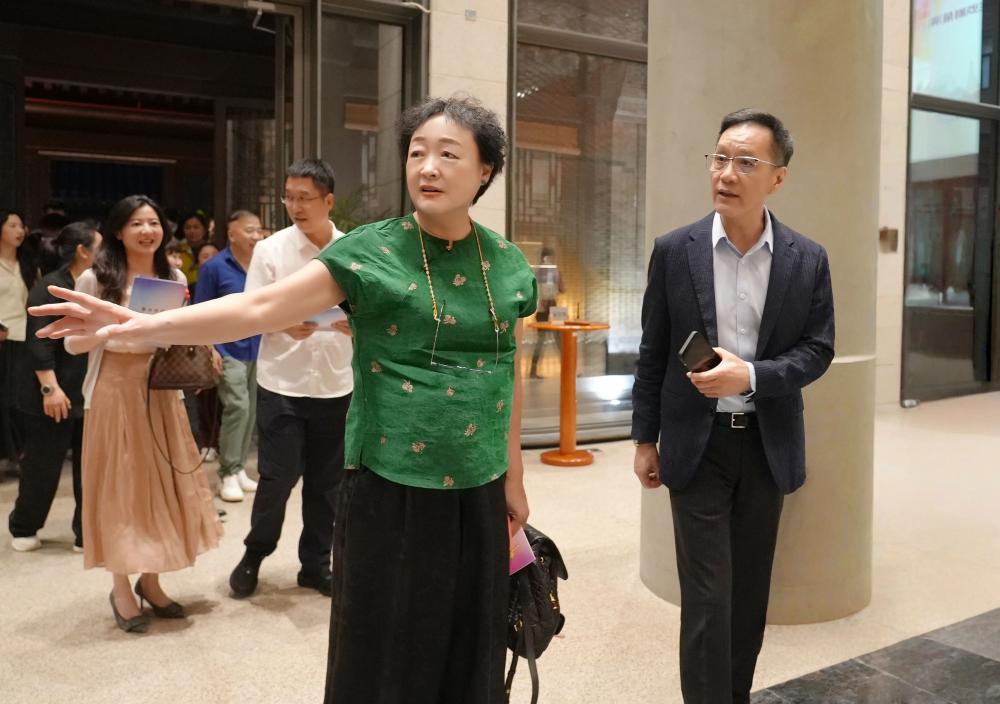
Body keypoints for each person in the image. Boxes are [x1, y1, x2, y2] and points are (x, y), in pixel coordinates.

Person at [30, 95, 538, 702]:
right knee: (389, 644)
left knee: (468, 637)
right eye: (416, 152)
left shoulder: (507, 264)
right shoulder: (371, 251)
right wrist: (138, 323)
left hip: (479, 483)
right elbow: (259, 308)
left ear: (485, 171)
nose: (427, 167)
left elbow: (502, 374)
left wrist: (514, 475)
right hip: (391, 483)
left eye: (448, 155)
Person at [631, 109, 835, 704]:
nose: (726, 173)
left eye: (746, 162)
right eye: (720, 158)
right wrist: (644, 439)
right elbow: (653, 350)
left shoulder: (807, 258)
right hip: (697, 444)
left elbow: (819, 350)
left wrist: (752, 375)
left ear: (778, 178)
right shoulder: (676, 251)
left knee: (747, 598)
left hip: (767, 444)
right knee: (707, 599)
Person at [61, 195, 222, 634]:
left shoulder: (171, 276)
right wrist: (104, 331)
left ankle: (151, 581)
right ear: (118, 230)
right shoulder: (96, 278)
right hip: (114, 388)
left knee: (163, 485)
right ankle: (120, 587)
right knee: (120, 487)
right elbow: (71, 343)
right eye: (136, 223)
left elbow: (178, 330)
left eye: (153, 222)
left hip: (161, 389)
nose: (147, 231)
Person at [227, 158, 353, 598]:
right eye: (289, 198)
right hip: (283, 383)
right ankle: (254, 555)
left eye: (305, 198)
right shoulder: (271, 250)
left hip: (336, 384)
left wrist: (357, 324)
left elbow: (371, 309)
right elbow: (251, 311)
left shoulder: (352, 249)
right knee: (277, 479)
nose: (295, 207)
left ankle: (315, 565)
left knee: (327, 485)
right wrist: (283, 323)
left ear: (328, 201)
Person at [9, 221, 101, 552]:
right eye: (100, 247)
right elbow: (39, 343)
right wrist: (50, 389)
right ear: (83, 251)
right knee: (42, 466)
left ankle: (86, 533)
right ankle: (24, 527)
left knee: (89, 469)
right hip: (49, 393)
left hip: (85, 390)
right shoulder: (50, 286)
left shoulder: (97, 285)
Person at [193, 210, 263, 502]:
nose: (256, 236)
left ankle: (239, 467)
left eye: (258, 230)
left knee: (251, 410)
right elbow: (200, 310)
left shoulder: (262, 264)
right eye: (249, 230)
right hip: (227, 347)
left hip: (259, 346)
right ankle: (227, 473)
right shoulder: (214, 267)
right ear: (232, 234)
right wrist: (210, 348)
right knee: (238, 406)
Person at [0, 209, 32, 476]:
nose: (19, 231)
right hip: (2, 337)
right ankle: (9, 455)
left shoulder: (28, 263)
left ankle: (18, 454)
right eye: (12, 225)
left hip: (24, 336)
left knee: (19, 400)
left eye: (21, 225)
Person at [174, 211, 210, 292]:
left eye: (196, 227)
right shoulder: (177, 250)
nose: (192, 231)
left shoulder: (211, 250)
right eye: (188, 228)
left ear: (204, 230)